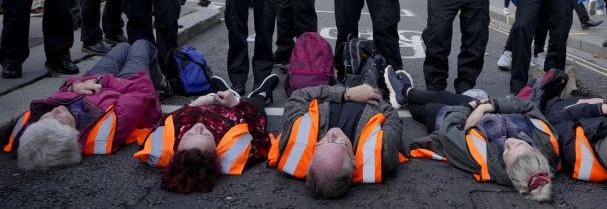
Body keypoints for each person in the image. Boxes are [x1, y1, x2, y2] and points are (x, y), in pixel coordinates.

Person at [384, 66, 556, 202]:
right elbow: (526, 106)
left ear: (507, 170)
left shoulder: (483, 159)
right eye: (519, 143)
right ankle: (405, 91)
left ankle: (406, 94)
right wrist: (488, 106)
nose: (510, 143)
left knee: (426, 109)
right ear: (536, 153)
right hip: (487, 110)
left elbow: (448, 131)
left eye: (507, 152)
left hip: (455, 120)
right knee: (441, 94)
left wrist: (469, 108)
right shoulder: (547, 140)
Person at [1, 40, 163, 170]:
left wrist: (74, 86)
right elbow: (141, 92)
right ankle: (161, 83)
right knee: (142, 44)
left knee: (123, 46)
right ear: (73, 134)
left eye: (46, 117)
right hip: (128, 83)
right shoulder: (108, 127)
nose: (54, 111)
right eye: (59, 120)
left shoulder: (42, 124)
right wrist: (105, 80)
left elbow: (63, 90)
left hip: (94, 80)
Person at [135, 74, 277, 193]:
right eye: (205, 134)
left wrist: (193, 104)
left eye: (189, 134)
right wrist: (235, 104)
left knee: (218, 95)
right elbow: (262, 139)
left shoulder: (163, 146)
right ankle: (260, 94)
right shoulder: (235, 154)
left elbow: (161, 123)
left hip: (205, 104)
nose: (199, 126)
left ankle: (222, 92)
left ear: (177, 149)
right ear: (216, 153)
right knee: (257, 105)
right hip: (238, 111)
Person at [270, 81, 402, 199]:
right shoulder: (383, 154)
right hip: (370, 95)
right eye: (338, 142)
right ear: (353, 160)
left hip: (334, 88)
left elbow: (299, 95)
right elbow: (392, 117)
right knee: (373, 69)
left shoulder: (291, 140)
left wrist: (347, 93)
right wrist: (374, 95)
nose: (331, 133)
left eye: (322, 142)